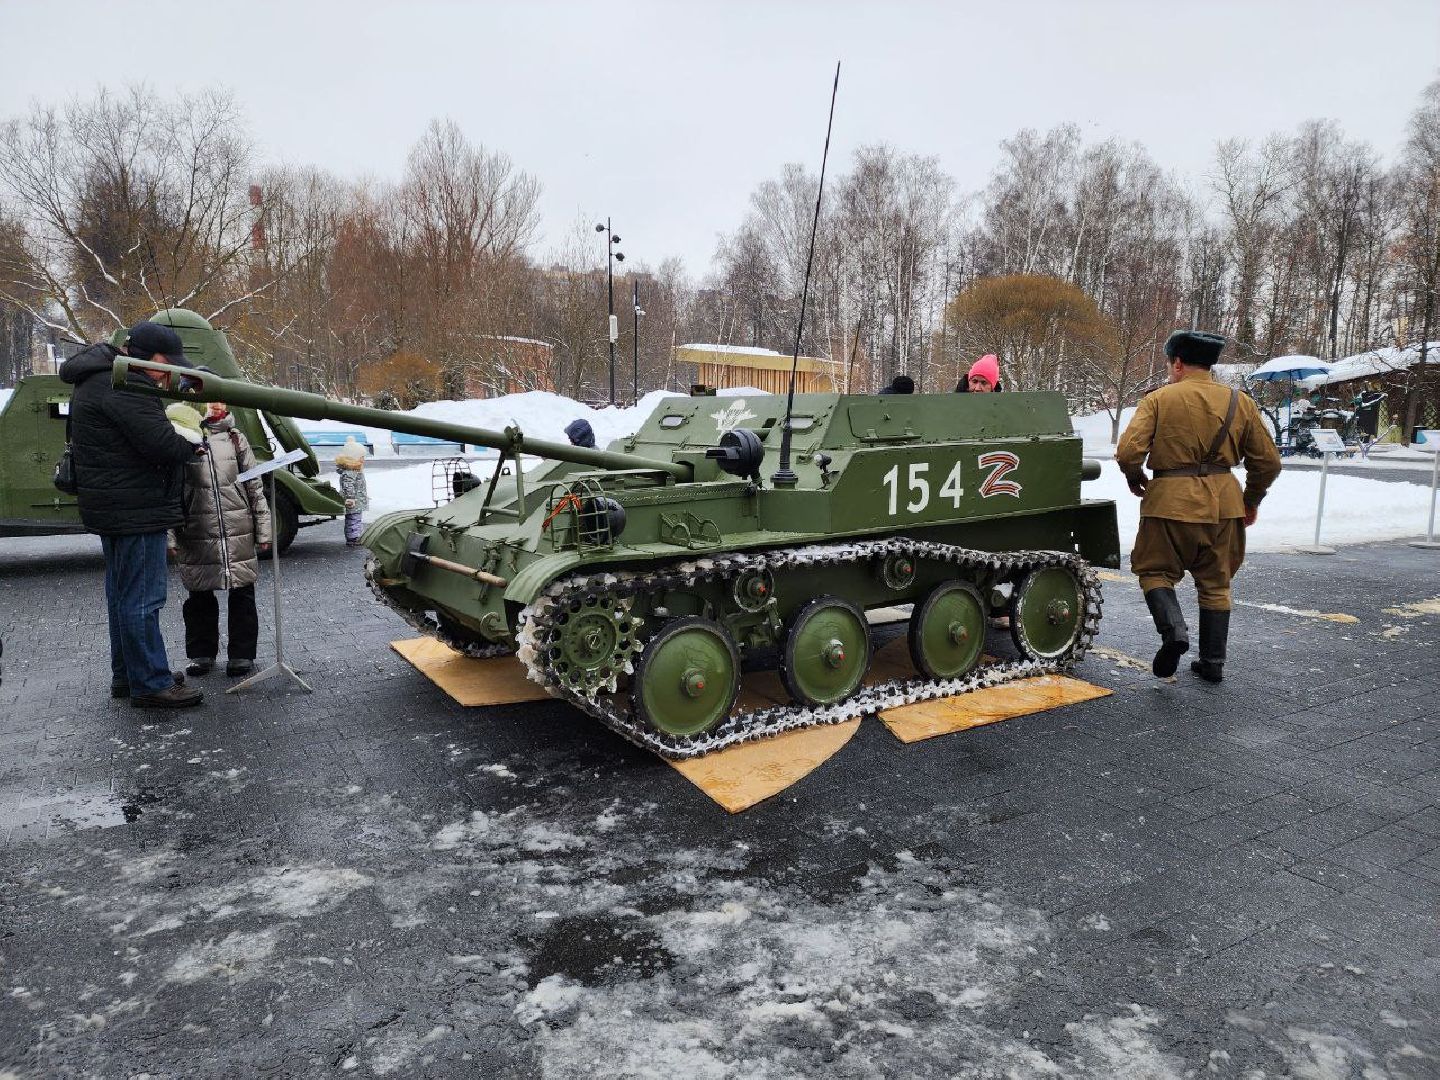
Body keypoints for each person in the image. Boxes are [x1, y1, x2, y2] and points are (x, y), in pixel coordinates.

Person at [1116, 330, 1282, 683]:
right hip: (1225, 505)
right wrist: (1249, 501)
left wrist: (1134, 478)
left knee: (1155, 571)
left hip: (1168, 504)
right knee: (1216, 584)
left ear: (1177, 362)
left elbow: (1129, 452)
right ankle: (1212, 663)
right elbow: (1268, 463)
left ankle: (1174, 632)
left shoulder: (1160, 399)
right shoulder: (1242, 403)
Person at [59, 321, 205, 708]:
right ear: (144, 357)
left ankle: (129, 674)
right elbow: (162, 445)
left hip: (116, 507)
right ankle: (150, 681)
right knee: (143, 599)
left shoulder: (99, 377)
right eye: (165, 362)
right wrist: (192, 443)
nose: (167, 371)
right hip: (136, 508)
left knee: (124, 596)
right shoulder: (124, 385)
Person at [166, 401, 272, 679]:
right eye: (210, 400)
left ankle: (242, 654)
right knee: (199, 594)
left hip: (238, 528)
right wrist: (171, 535)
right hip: (196, 530)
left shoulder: (237, 439)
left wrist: (263, 528)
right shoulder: (180, 435)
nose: (216, 406)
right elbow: (170, 490)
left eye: (220, 400)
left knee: (243, 593)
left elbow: (254, 487)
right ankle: (201, 653)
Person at [334, 436, 369, 546]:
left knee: (355, 518)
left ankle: (355, 535)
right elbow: (348, 486)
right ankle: (353, 538)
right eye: (361, 457)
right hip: (353, 501)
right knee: (353, 519)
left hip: (356, 499)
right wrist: (350, 498)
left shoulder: (354, 470)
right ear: (353, 458)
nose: (363, 459)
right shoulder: (350, 472)